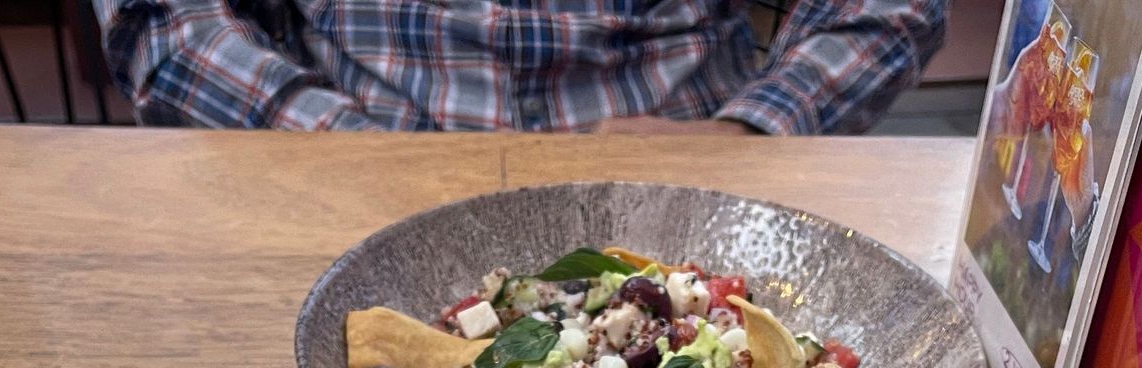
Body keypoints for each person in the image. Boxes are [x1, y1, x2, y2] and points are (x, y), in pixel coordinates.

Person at [94, 0, 947, 137]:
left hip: (690, 159)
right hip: (336, 154)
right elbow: (162, 17)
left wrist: (756, 129)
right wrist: (326, 137)